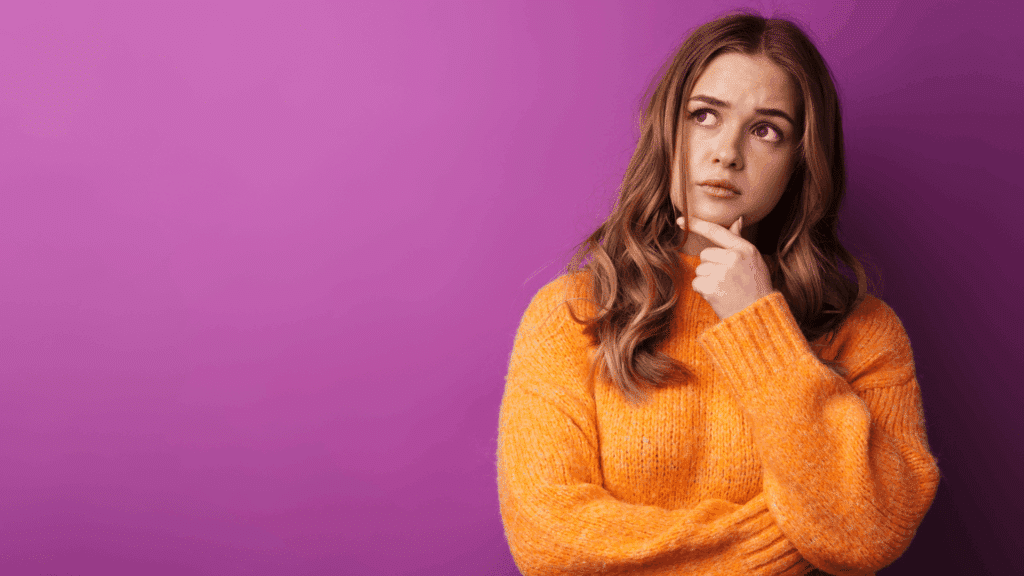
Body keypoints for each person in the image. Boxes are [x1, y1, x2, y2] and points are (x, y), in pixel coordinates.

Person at [495, 10, 940, 576]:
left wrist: (759, 326)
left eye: (765, 130)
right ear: (668, 130)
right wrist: (785, 546)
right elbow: (551, 541)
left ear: (800, 161)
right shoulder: (575, 313)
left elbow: (868, 534)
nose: (726, 152)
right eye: (705, 116)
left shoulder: (864, 332)